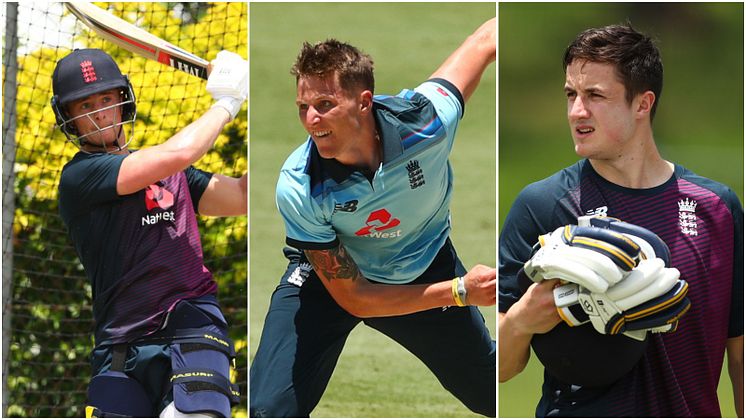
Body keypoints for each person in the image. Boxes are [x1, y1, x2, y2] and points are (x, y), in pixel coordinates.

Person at [250, 18, 497, 417]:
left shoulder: (427, 122)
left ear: (364, 102)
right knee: (269, 409)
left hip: (423, 265)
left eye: (325, 105)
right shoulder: (300, 184)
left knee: (490, 391)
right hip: (330, 280)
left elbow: (487, 38)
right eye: (303, 107)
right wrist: (460, 291)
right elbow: (356, 298)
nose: (311, 119)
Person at [498, 23, 743, 417]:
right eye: (571, 94)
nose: (577, 111)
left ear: (642, 104)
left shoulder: (717, 208)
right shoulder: (542, 205)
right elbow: (501, 369)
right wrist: (523, 319)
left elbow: (739, 352)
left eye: (595, 95)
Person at [51, 48, 247, 417]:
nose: (98, 113)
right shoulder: (79, 178)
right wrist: (227, 102)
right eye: (84, 105)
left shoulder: (173, 172)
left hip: (192, 324)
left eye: (106, 99)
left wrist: (267, 112)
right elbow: (183, 151)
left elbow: (241, 196)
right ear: (69, 119)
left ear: (123, 101)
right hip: (120, 344)